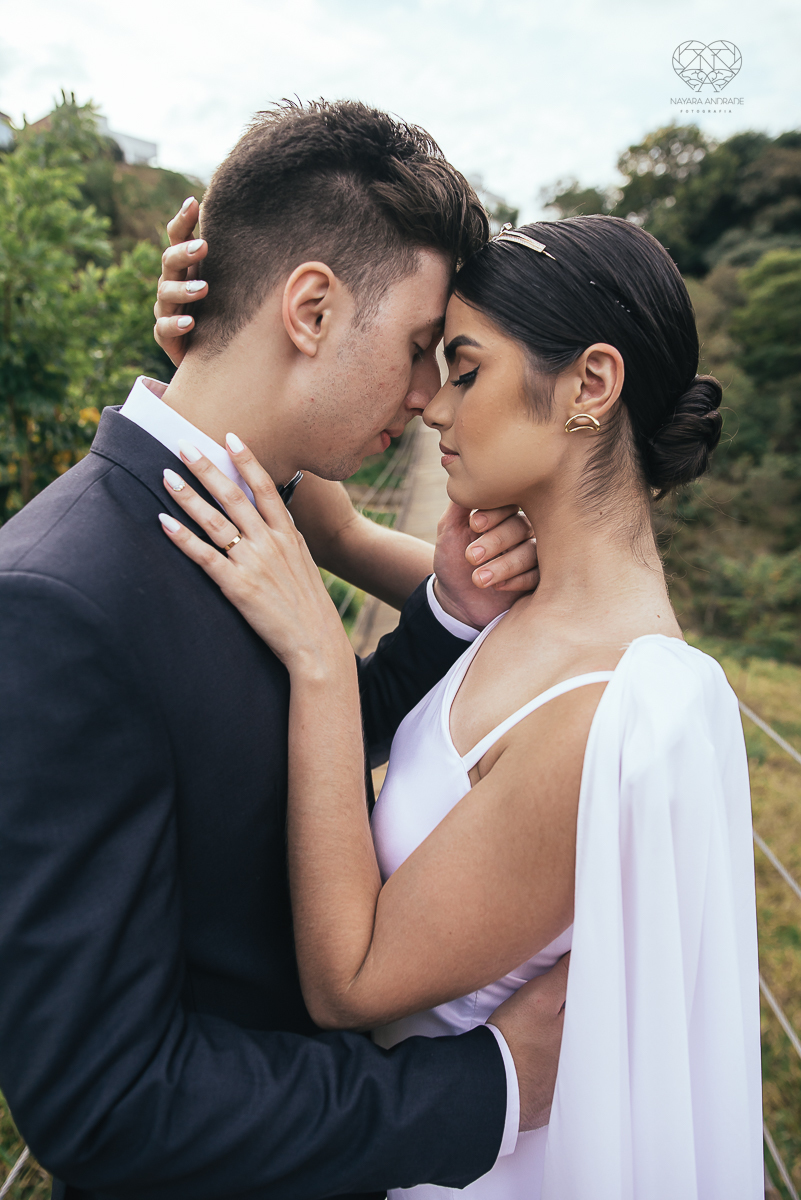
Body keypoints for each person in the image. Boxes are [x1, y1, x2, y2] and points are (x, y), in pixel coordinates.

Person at [0, 102, 567, 1200]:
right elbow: (107, 1100)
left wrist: (444, 614)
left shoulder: (235, 517)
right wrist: (485, 1089)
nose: (424, 401)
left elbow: (267, 763)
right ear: (309, 308)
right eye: (415, 350)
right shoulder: (53, 604)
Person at [161, 214, 764, 1199]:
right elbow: (341, 524)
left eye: (467, 370)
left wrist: (320, 655)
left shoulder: (598, 716)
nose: (436, 407)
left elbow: (350, 981)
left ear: (591, 387)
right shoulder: (526, 606)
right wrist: (220, 341)